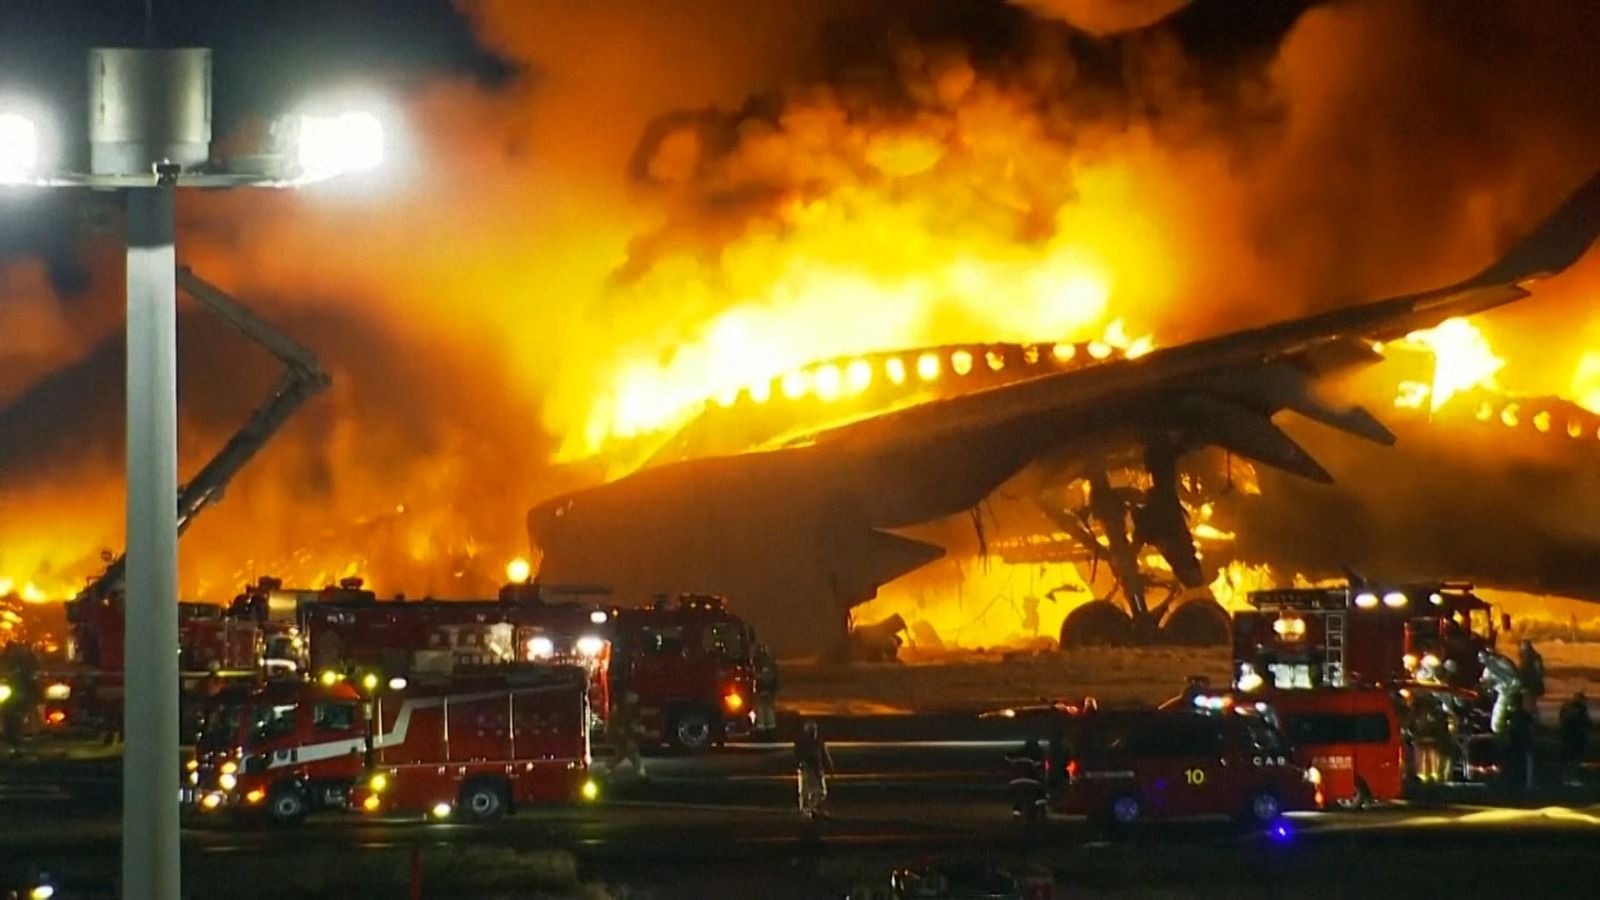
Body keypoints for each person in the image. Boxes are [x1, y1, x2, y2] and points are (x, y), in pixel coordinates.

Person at [794, 720, 834, 818]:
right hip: (807, 769)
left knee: (821, 792)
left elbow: (824, 755)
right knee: (805, 791)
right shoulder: (803, 743)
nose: (814, 733)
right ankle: (807, 810)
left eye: (815, 730)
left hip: (817, 769)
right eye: (812, 731)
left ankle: (815, 808)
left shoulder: (819, 742)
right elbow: (798, 755)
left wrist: (830, 767)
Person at [1478, 650, 1522, 735]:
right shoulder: (1488, 669)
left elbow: (1515, 677)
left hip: (1508, 692)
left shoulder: (1502, 663)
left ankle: (1501, 732)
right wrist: (1484, 684)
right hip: (1504, 693)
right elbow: (1486, 682)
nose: (1482, 661)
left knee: (1499, 720)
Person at [1005, 737, 1047, 819]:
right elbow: (1039, 766)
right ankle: (1042, 811)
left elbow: (1007, 757)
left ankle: (1016, 814)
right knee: (1041, 793)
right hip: (1031, 781)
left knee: (1017, 799)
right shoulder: (1036, 755)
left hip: (1015, 781)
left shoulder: (1017, 753)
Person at [609, 691, 647, 779]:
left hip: (621, 735)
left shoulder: (626, 710)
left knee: (624, 754)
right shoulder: (624, 711)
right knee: (631, 753)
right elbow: (622, 726)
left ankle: (607, 768)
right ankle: (641, 772)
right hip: (621, 735)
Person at [1559, 692, 1591, 787]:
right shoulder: (1580, 710)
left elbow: (1562, 720)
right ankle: (1573, 778)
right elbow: (1586, 723)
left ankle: (1566, 779)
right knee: (1574, 760)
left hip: (1567, 738)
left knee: (1568, 760)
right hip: (1576, 738)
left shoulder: (1566, 708)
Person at [1506, 703, 1536, 791]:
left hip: (1517, 745)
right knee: (1525, 765)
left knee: (1518, 764)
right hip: (1524, 745)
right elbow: (1531, 729)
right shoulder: (1526, 717)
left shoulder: (1514, 717)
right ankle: (1526, 784)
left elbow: (1511, 731)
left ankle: (1518, 783)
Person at [753, 644, 780, 735]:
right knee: (767, 710)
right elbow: (775, 678)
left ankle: (764, 729)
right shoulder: (770, 664)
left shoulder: (757, 664)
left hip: (763, 692)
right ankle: (769, 729)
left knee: (763, 710)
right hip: (767, 692)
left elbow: (774, 678)